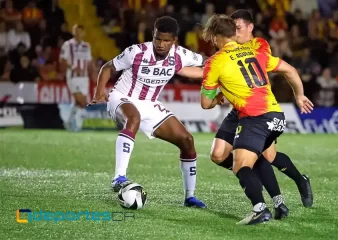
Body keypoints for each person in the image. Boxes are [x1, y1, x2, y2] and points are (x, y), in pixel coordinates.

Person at [201, 14, 313, 225]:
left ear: (216, 37)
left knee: (245, 164)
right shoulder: (254, 52)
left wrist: (217, 98)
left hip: (255, 115)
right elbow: (287, 68)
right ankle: (276, 203)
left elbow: (206, 104)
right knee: (222, 155)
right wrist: (299, 95)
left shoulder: (249, 48)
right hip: (267, 114)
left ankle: (264, 207)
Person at [90, 16, 206, 208]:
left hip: (149, 103)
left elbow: (207, 63)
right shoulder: (136, 52)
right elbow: (108, 67)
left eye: (166, 40)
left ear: (174, 41)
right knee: (133, 118)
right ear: (153, 35)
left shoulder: (181, 55)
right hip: (122, 97)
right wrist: (99, 92)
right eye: (157, 38)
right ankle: (119, 177)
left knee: (187, 140)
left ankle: (190, 197)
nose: (160, 44)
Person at [60, 24, 95, 132]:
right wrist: (73, 68)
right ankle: (76, 125)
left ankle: (69, 122)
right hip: (73, 77)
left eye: (80, 31)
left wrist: (93, 73)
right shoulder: (67, 45)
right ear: (73, 32)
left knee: (79, 103)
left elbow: (89, 62)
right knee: (82, 101)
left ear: (83, 33)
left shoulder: (87, 46)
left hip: (84, 78)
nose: (78, 33)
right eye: (76, 31)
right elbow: (63, 60)